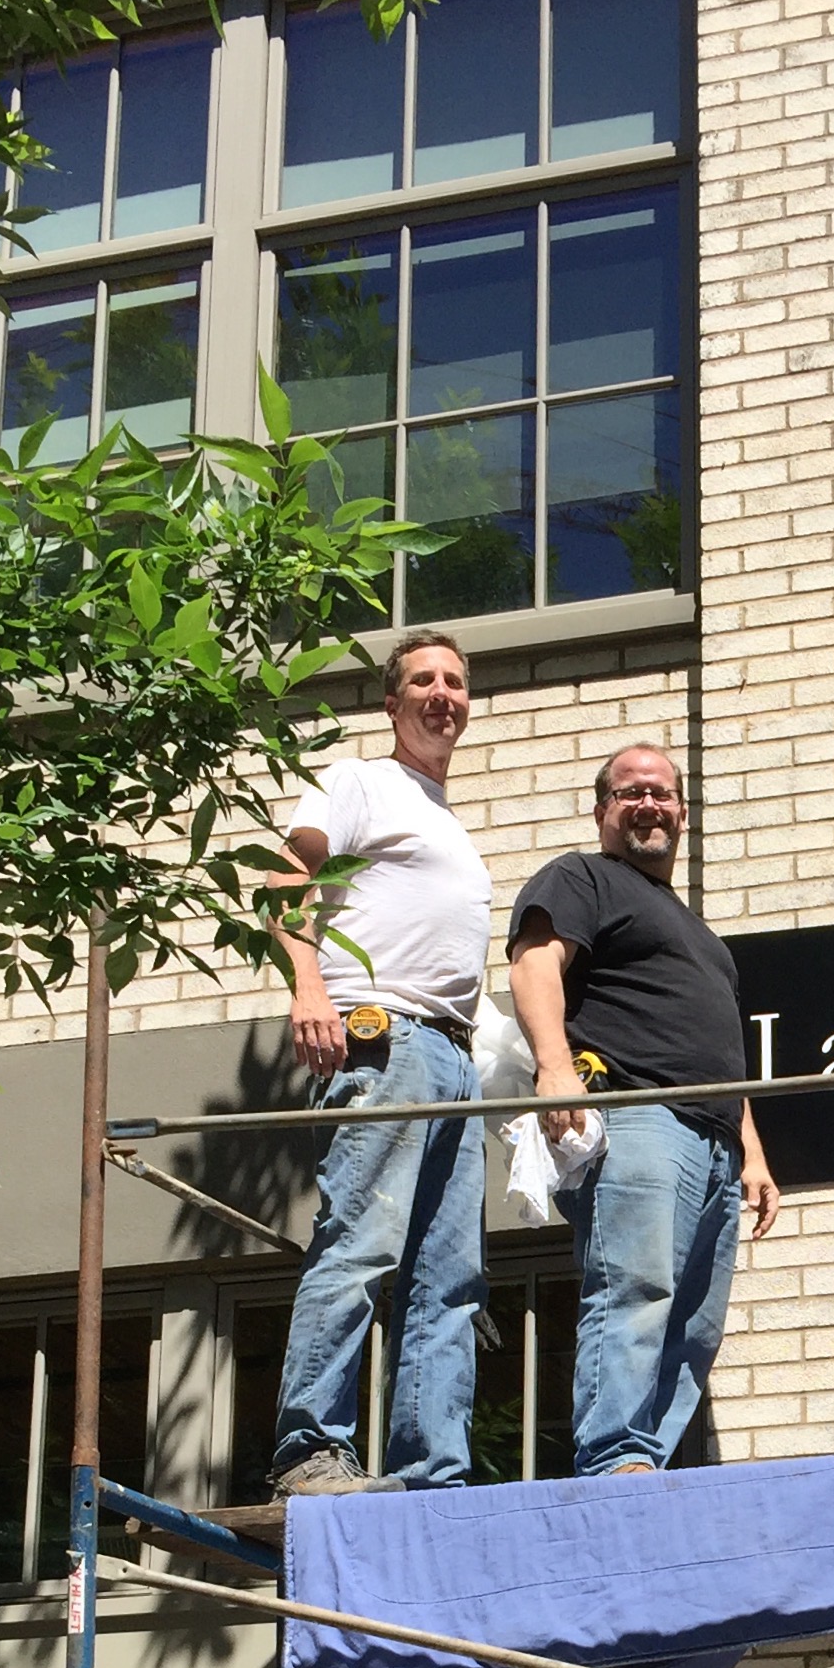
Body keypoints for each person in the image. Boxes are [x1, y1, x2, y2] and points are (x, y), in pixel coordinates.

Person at [507, 743, 779, 1474]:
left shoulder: (702, 938)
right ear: (602, 809)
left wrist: (751, 1151)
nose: (648, 804)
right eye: (630, 793)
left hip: (715, 1141)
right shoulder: (582, 877)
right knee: (636, 1285)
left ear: (683, 813)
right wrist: (554, 1067)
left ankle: (644, 1462)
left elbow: (719, 1050)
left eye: (661, 793)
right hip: (638, 1116)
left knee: (696, 1322)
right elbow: (534, 964)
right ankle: (614, 1459)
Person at [265, 630, 493, 1496]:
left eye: (455, 681)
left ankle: (432, 1470)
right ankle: (309, 1449)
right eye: (423, 680)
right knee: (360, 1239)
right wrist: (308, 986)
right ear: (392, 704)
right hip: (383, 1034)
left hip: (453, 1055)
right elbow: (288, 876)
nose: (443, 693)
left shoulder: (446, 819)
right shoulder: (359, 780)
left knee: (449, 1278)